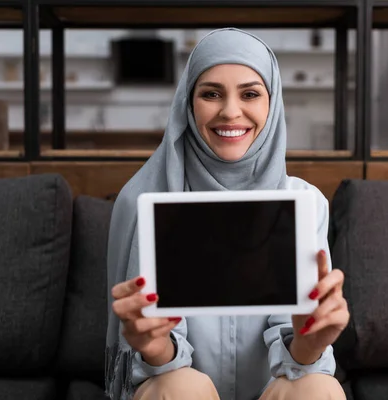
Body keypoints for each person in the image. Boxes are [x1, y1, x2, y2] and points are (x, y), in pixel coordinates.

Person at [105, 28, 350, 400]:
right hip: (179, 386)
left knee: (317, 388)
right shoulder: (147, 201)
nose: (231, 111)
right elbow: (160, 354)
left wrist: (309, 342)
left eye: (250, 93)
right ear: (188, 104)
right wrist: (153, 347)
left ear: (273, 103)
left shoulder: (305, 202)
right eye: (211, 93)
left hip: (271, 389)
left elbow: (299, 361)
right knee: (181, 387)